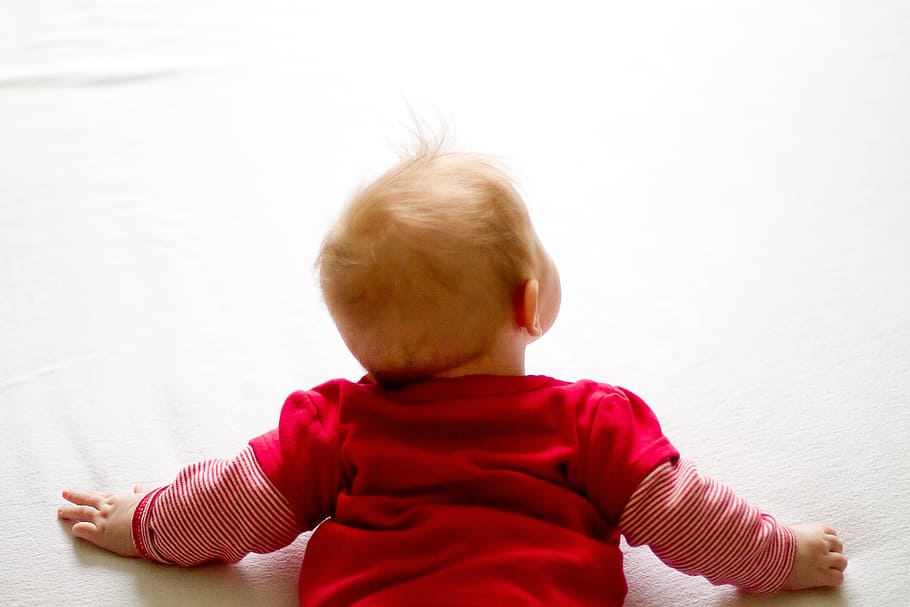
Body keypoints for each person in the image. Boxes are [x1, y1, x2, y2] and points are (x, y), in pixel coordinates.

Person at [58, 142, 847, 606]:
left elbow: (228, 505)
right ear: (530, 300)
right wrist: (783, 556)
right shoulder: (592, 422)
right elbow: (693, 519)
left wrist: (143, 521)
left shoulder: (336, 426)